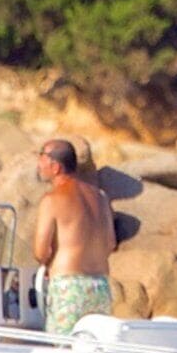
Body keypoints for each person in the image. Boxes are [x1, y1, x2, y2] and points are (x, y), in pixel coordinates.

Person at [27, 139, 114, 336]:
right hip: (101, 287)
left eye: (41, 158)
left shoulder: (52, 200)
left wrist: (49, 264)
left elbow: (41, 252)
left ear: (55, 167)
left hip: (69, 288)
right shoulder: (100, 196)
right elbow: (110, 243)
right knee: (96, 352)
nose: (38, 165)